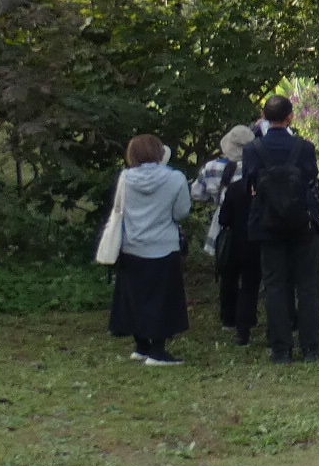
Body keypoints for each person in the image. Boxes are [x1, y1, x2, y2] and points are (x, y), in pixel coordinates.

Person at [241, 94, 319, 364]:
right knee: (308, 285)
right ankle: (310, 346)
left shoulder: (253, 149)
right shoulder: (304, 147)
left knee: (275, 286)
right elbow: (311, 178)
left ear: (263, 117)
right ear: (290, 116)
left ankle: (280, 348)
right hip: (301, 221)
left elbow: (249, 184)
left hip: (268, 223)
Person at [108, 133, 191, 365]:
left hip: (132, 244)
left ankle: (141, 345)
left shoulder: (125, 177)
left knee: (135, 296)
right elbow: (181, 211)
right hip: (163, 244)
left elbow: (118, 208)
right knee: (162, 299)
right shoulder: (175, 178)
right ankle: (158, 351)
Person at [202, 123, 260, 344]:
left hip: (224, 226)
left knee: (227, 274)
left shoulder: (212, 168)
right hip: (251, 225)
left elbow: (197, 193)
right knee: (251, 279)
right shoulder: (255, 170)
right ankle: (248, 317)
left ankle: (228, 318)